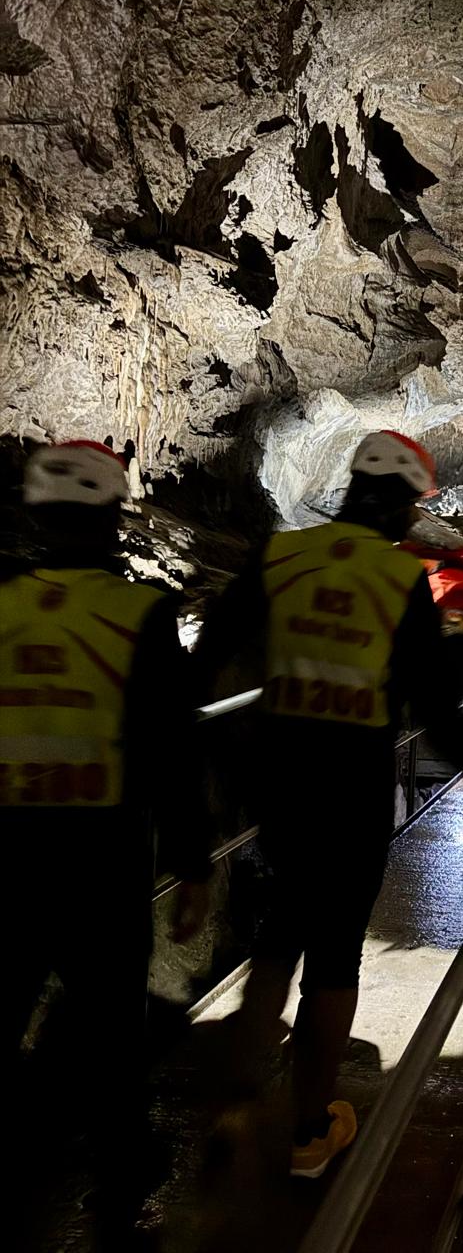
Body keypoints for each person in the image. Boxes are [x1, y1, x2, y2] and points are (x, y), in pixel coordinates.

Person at [195, 430, 463, 1180]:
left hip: (279, 776)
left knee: (279, 933)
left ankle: (233, 1102)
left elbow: (212, 649)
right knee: (334, 955)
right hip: (352, 783)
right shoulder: (398, 578)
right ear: (403, 504)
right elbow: (432, 697)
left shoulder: (282, 554)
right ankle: (308, 1133)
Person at [0, 440, 212, 1246]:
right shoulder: (138, 614)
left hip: (9, 850)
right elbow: (171, 749)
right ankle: (121, 1172)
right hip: (99, 854)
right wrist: (192, 864)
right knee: (110, 1022)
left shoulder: (3, 603)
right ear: (112, 517)